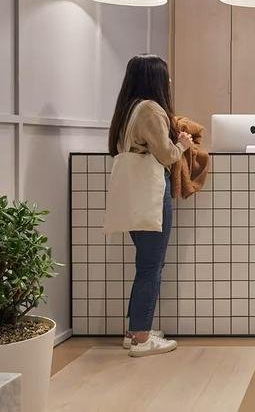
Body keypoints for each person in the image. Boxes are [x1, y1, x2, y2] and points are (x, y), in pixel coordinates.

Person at [107, 54, 194, 357]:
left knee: (145, 264)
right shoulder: (151, 109)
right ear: (155, 79)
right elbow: (168, 155)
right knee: (150, 267)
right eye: (165, 76)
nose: (169, 81)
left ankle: (135, 331)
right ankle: (143, 338)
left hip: (132, 192)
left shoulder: (128, 109)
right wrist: (182, 141)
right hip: (150, 191)